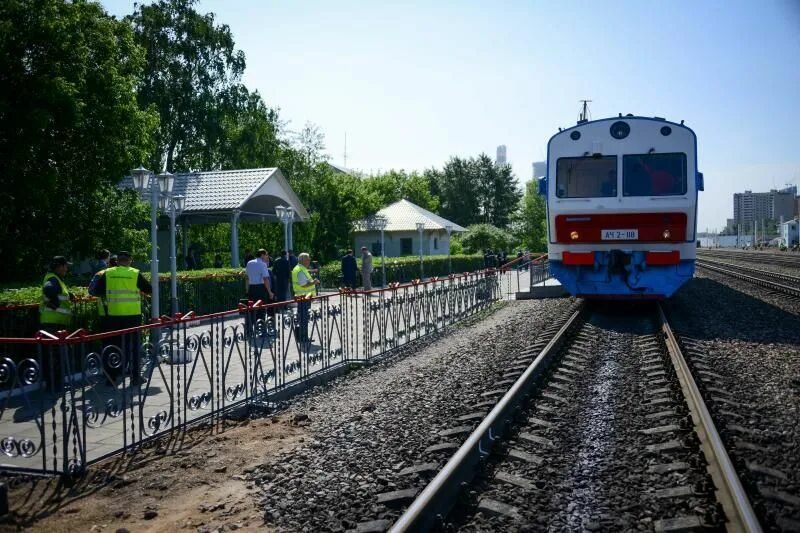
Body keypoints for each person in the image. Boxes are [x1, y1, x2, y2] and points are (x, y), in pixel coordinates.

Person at [88, 251, 152, 385]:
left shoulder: (108, 273)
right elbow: (149, 289)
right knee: (133, 346)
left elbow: (97, 291)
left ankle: (111, 378)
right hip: (132, 316)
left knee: (112, 347)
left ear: (117, 261)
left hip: (113, 316)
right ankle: (135, 377)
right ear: (130, 260)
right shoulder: (135, 273)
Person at [39, 256, 75, 390]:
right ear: (59, 266)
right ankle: (55, 385)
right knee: (55, 356)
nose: (67, 269)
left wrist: (69, 295)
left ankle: (54, 384)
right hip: (53, 323)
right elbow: (48, 289)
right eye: (65, 266)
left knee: (55, 355)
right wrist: (55, 303)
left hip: (54, 322)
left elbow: (58, 292)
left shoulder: (56, 279)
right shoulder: (52, 279)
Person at [291, 253, 319, 343]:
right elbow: (303, 284)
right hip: (303, 298)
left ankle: (303, 337)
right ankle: (303, 338)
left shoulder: (300, 268)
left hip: (303, 297)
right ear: (303, 260)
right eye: (308, 259)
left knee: (302, 318)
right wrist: (314, 282)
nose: (309, 260)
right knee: (303, 318)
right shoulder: (300, 269)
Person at [245, 249, 274, 335]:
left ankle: (249, 330)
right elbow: (265, 279)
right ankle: (261, 330)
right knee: (261, 309)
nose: (267, 257)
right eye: (266, 255)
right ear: (262, 255)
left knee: (250, 309)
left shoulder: (249, 263)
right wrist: (270, 292)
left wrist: (247, 289)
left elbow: (246, 277)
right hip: (261, 288)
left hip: (251, 288)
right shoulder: (262, 264)